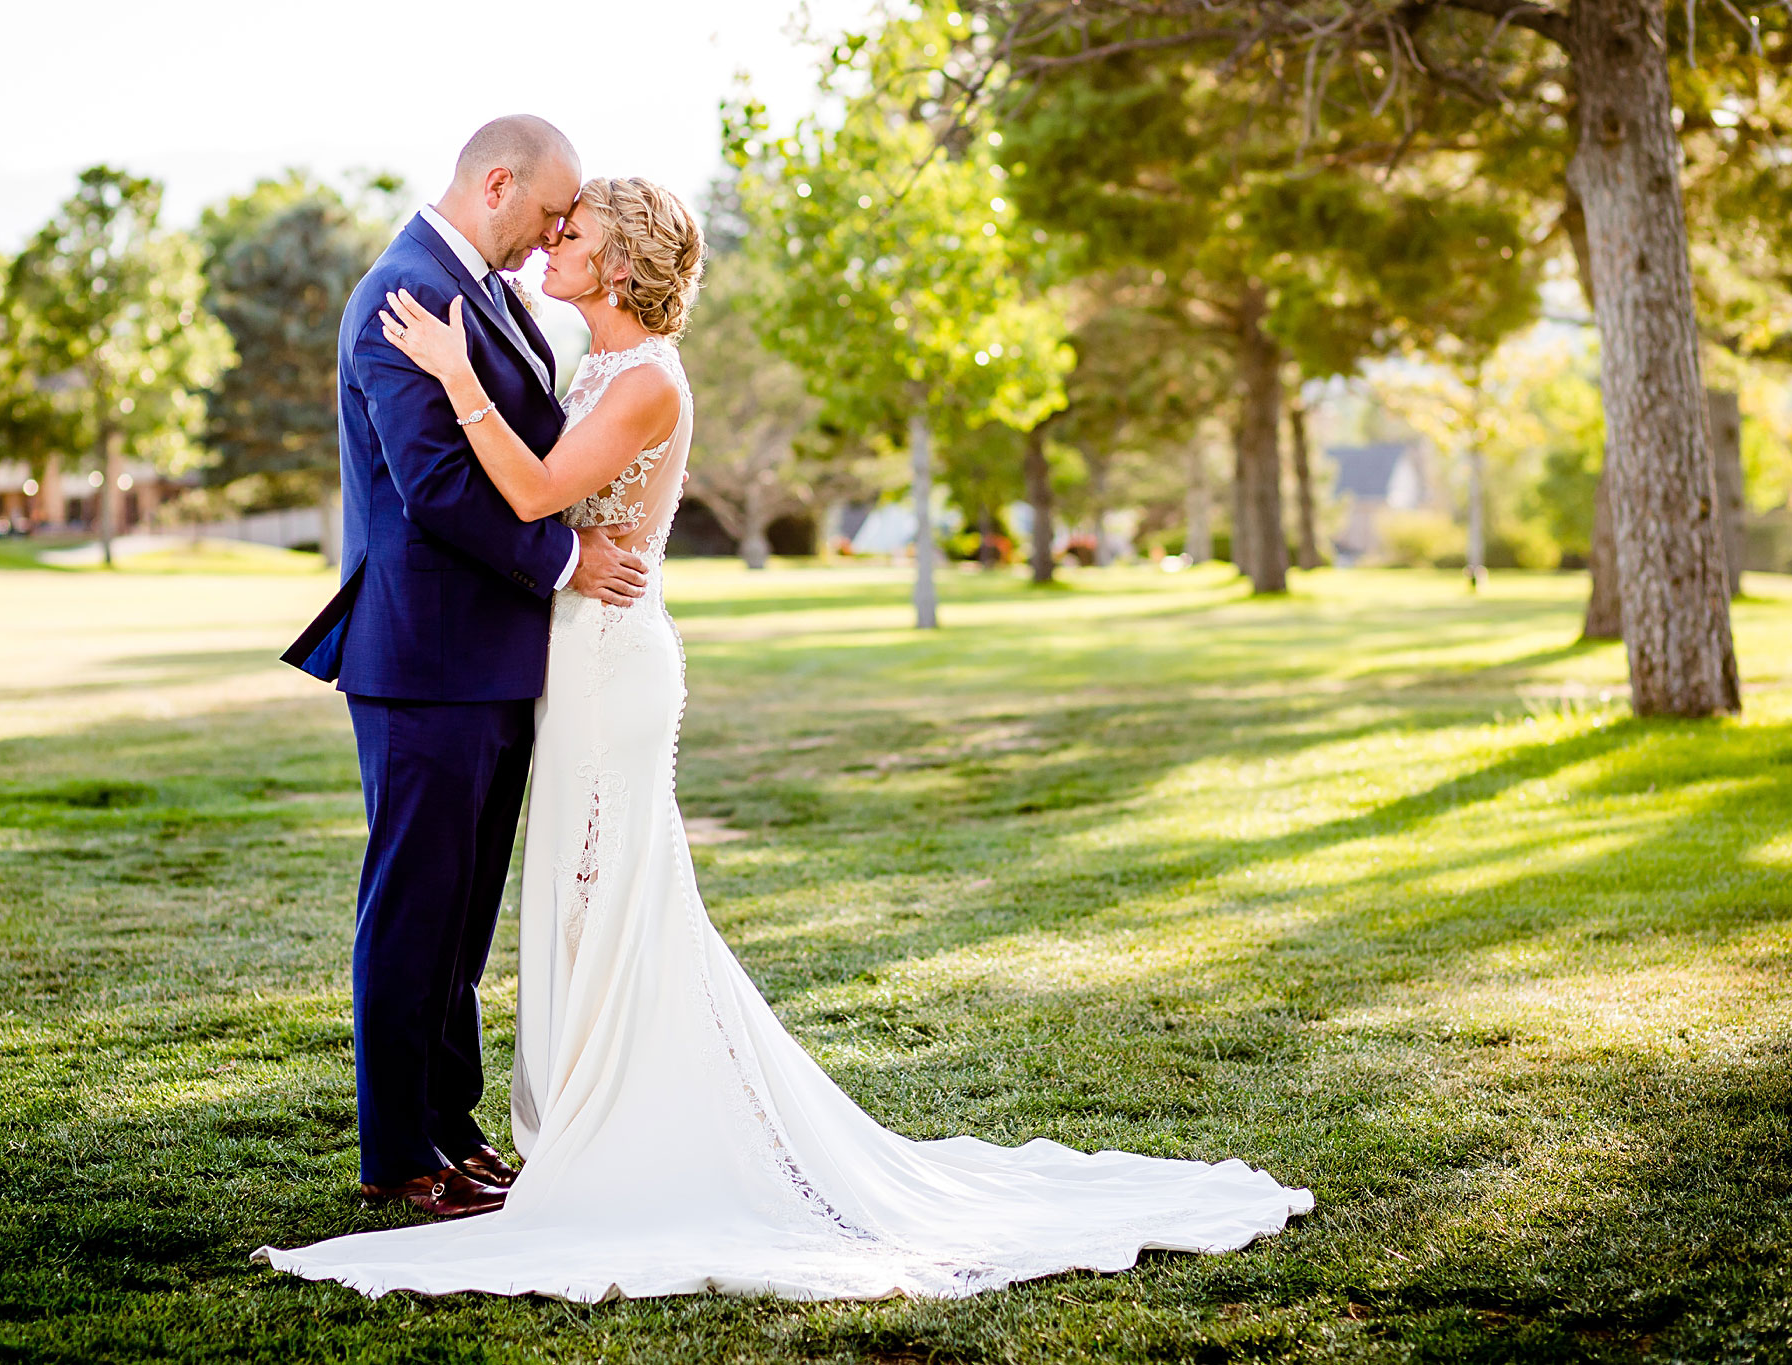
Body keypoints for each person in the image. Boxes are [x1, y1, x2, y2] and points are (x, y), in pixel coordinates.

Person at [257, 169, 1312, 1301]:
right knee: (579, 895)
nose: (552, 242)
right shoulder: (589, 358)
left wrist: (459, 374)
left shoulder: (646, 380)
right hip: (563, 658)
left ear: (616, 264)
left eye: (574, 232)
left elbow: (531, 495)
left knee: (614, 893)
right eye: (553, 223)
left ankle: (630, 1127)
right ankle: (570, 1118)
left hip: (609, 663)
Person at [277, 116, 648, 1220]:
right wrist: (570, 558)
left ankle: (452, 1125)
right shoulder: (400, 292)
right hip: (424, 654)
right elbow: (436, 491)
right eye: (544, 217)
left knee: (463, 920)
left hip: (490, 655)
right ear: (497, 184)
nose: (549, 243)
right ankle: (397, 1152)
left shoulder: (481, 291)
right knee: (412, 911)